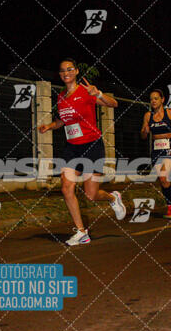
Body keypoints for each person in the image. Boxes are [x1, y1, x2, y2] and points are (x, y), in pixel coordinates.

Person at [38, 58, 126, 245]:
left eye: (69, 69)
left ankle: (112, 198)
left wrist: (99, 94)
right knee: (66, 187)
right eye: (62, 70)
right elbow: (64, 120)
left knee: (91, 195)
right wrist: (50, 126)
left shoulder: (86, 92)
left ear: (76, 71)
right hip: (72, 148)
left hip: (92, 145)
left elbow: (114, 104)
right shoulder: (61, 97)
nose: (65, 73)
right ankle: (81, 232)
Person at [141, 89, 171, 218]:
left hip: (169, 147)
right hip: (156, 149)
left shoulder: (170, 113)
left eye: (156, 98)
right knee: (162, 180)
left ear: (162, 100)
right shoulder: (148, 116)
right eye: (151, 99)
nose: (153, 101)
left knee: (163, 177)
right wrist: (144, 131)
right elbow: (144, 135)